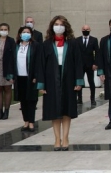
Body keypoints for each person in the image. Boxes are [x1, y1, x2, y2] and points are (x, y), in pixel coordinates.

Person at [36, 15, 84, 150]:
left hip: (68, 78)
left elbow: (78, 63)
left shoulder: (73, 43)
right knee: (54, 110)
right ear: (52, 26)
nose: (58, 26)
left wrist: (78, 81)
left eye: (61, 24)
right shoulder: (46, 44)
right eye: (56, 24)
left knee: (66, 110)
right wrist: (42, 84)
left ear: (66, 27)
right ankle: (57, 138)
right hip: (51, 79)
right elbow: (41, 65)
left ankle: (66, 137)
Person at [13, 26, 40, 131]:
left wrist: (36, 76)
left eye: (28, 32)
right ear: (20, 34)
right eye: (24, 32)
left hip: (31, 78)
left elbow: (38, 62)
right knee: (23, 101)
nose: (25, 34)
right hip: (19, 77)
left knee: (31, 100)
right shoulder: (16, 46)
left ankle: (32, 122)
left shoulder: (35, 46)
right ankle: (26, 121)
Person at [77, 24, 98, 106]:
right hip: (80, 65)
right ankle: (79, 99)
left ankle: (92, 99)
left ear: (90, 30)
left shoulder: (94, 40)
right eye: (84, 29)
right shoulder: (77, 40)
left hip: (90, 65)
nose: (85, 30)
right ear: (81, 30)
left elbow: (97, 52)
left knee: (91, 82)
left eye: (87, 29)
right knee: (80, 82)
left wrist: (96, 63)